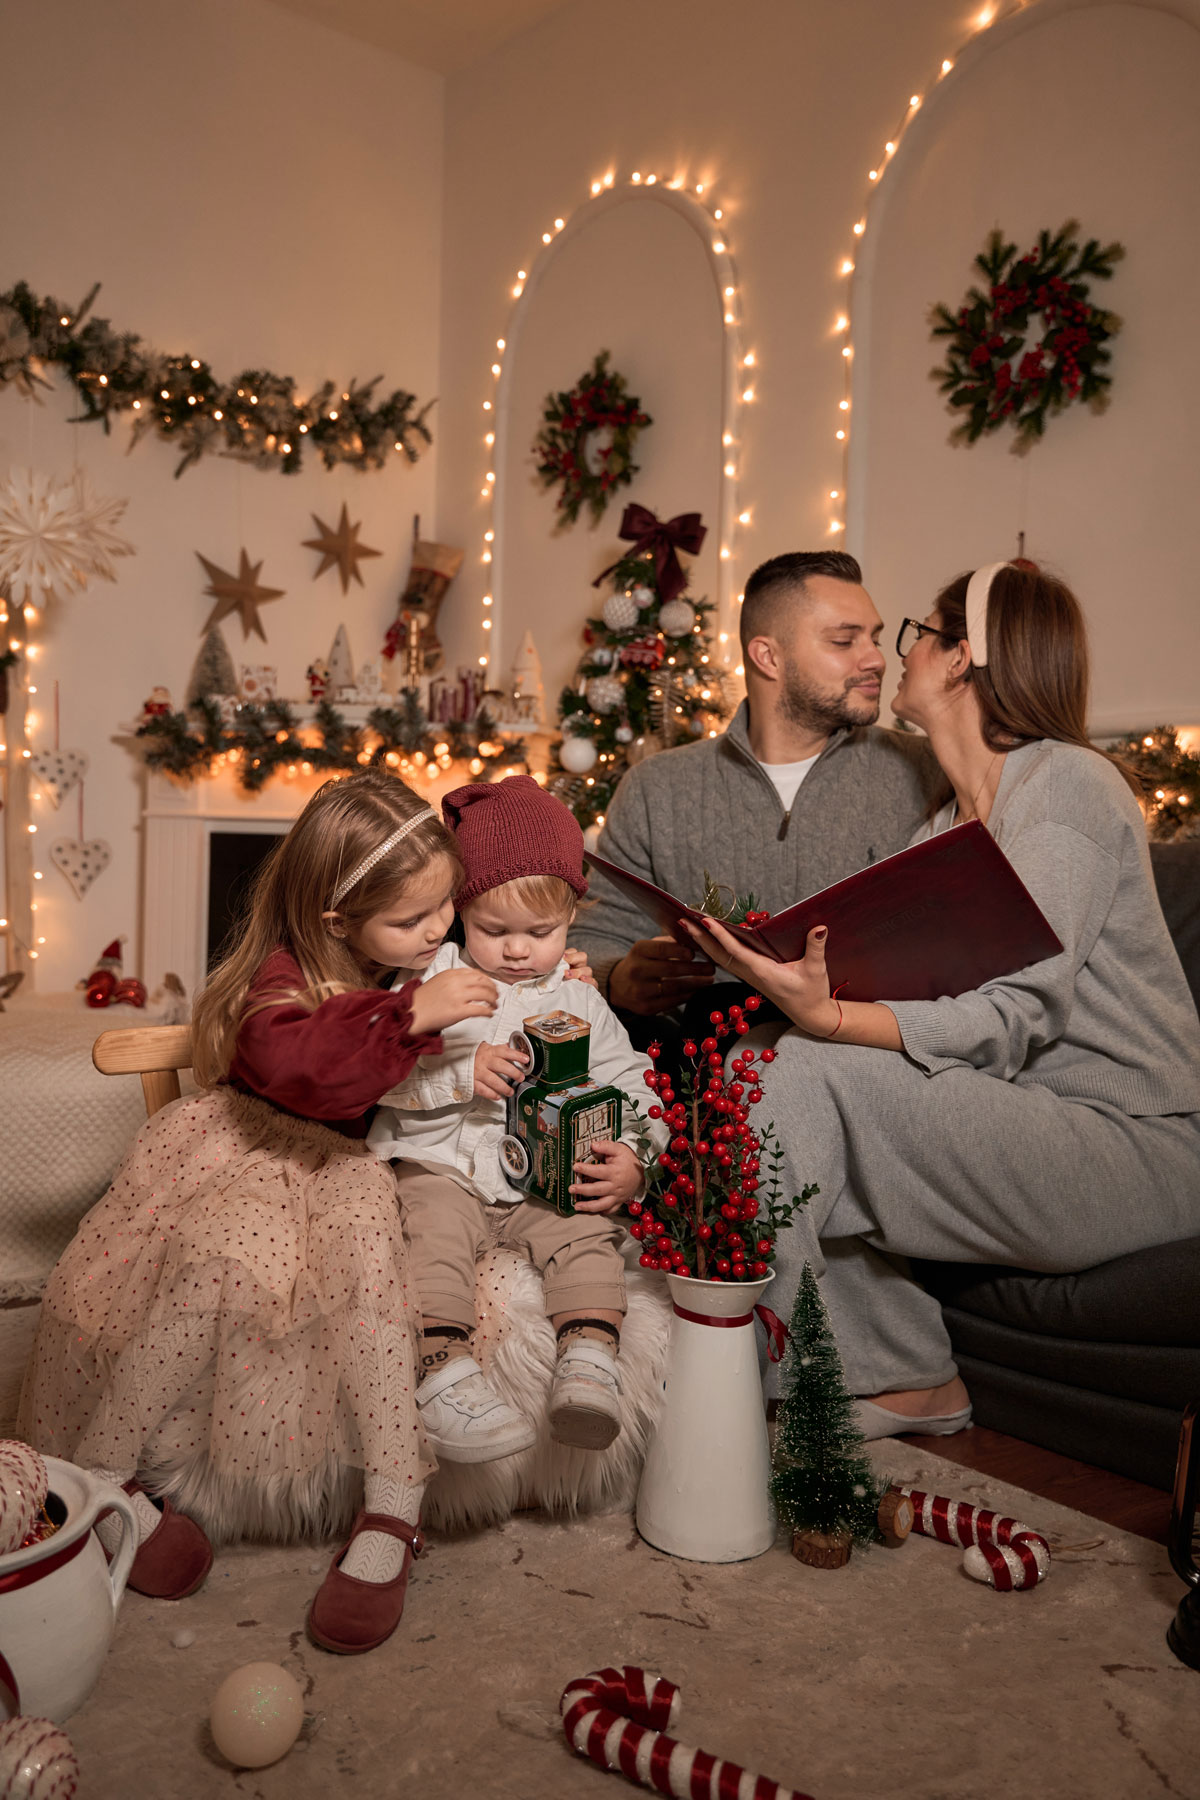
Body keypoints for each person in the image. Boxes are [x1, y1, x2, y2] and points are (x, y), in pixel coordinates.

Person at [686, 561, 1200, 1438]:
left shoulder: (1067, 785)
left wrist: (833, 1019)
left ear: (964, 658)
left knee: (803, 1071)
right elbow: (922, 1001)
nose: (901, 654)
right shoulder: (942, 827)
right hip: (1017, 1114)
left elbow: (1015, 1014)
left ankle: (759, 1393)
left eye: (917, 634)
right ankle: (900, 1374)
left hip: (1133, 1146)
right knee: (756, 1056)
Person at [20, 770, 499, 1655]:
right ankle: (104, 1477)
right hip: (250, 1147)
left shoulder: (418, 953)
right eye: (412, 920)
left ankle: (395, 1504)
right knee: (209, 1271)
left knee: (367, 1268)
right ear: (335, 920)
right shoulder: (283, 977)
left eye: (445, 908)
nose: (437, 933)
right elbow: (305, 1072)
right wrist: (409, 1016)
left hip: (346, 1169)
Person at [369, 776, 665, 1460]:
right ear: (458, 912)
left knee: (586, 1230)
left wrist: (635, 1158)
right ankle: (442, 1370)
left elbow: (633, 1085)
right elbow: (381, 1068)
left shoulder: (580, 997)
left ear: (571, 919)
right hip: (444, 1166)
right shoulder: (432, 977)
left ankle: (588, 1359)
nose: (516, 950)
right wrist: (457, 1075)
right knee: (429, 1232)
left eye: (542, 932)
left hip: (543, 1181)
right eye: (493, 930)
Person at [572, 550, 940, 1034]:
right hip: (705, 1074)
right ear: (768, 656)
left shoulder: (925, 772)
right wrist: (619, 977)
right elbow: (595, 935)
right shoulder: (656, 788)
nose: (875, 658)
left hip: (864, 1066)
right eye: (844, 640)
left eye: (873, 637)